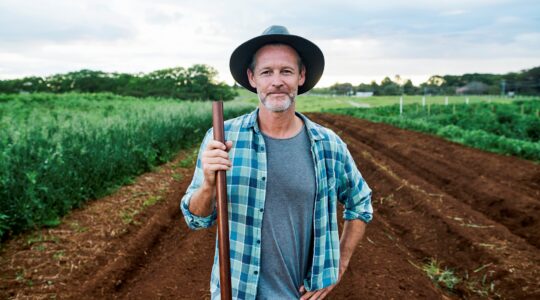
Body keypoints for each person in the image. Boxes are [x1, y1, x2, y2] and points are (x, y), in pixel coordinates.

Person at [181, 25, 373, 300]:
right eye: (266, 72)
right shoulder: (222, 138)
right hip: (237, 293)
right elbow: (196, 220)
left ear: (301, 76)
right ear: (252, 78)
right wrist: (209, 184)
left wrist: (338, 264)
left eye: (286, 71)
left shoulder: (328, 145)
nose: (277, 81)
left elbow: (360, 202)